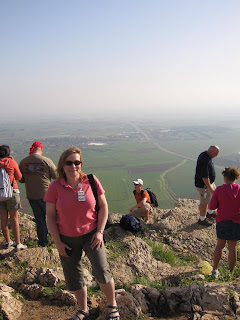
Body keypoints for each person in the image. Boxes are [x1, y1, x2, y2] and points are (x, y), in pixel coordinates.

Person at [44, 147, 120, 320]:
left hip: (92, 234)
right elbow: (49, 216)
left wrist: (100, 232)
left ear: (81, 163)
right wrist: (58, 242)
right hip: (67, 238)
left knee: (102, 271)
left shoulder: (91, 181)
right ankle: (83, 309)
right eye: (69, 162)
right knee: (74, 276)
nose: (73, 166)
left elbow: (104, 207)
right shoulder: (55, 186)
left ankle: (112, 304)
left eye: (77, 162)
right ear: (62, 165)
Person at [19, 141, 58, 247]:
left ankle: (43, 242)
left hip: (31, 195)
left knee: (39, 219)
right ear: (41, 149)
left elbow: (21, 179)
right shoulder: (46, 161)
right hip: (47, 195)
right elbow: (56, 176)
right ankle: (59, 240)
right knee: (54, 218)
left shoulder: (23, 162)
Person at [209, 167, 240, 278]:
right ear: (235, 178)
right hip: (236, 222)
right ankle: (230, 273)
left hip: (222, 221)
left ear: (225, 177)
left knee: (219, 246)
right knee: (233, 248)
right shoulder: (239, 189)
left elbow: (211, 206)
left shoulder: (219, 190)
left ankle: (214, 271)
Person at [0, 145, 27, 250]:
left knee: (3, 219)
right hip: (12, 193)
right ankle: (18, 243)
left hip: (0, 195)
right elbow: (19, 177)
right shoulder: (11, 162)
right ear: (8, 153)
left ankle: (8, 241)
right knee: (14, 219)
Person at [194, 145, 220, 226]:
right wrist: (210, 188)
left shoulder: (205, 155)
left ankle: (210, 212)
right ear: (211, 152)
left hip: (208, 184)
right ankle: (202, 219)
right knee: (204, 202)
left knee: (210, 198)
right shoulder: (205, 160)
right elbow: (205, 177)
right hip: (204, 186)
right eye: (215, 154)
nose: (216, 156)